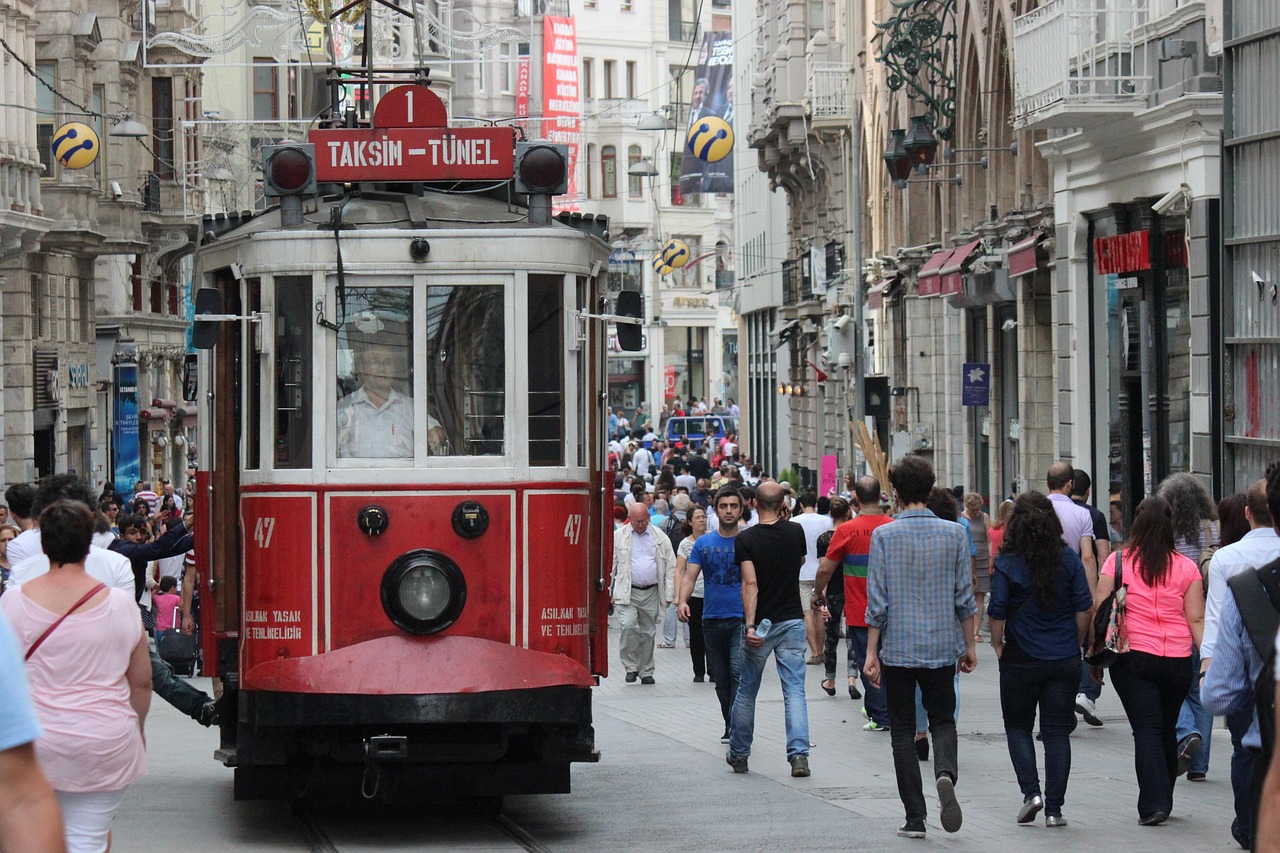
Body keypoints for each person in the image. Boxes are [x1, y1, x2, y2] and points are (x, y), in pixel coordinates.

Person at [1, 500, 150, 853]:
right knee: (88, 839)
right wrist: (137, 730)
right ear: (89, 544)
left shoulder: (13, 603)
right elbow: (141, 681)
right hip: (106, 739)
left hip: (35, 743)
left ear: (43, 543)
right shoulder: (121, 604)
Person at [863, 455, 977, 838]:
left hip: (898, 647)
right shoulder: (955, 533)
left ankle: (915, 817)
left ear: (895, 492)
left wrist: (870, 653)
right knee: (943, 719)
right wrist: (970, 645)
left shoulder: (884, 535)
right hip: (942, 647)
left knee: (902, 731)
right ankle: (945, 772)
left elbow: (877, 602)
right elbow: (965, 597)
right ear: (930, 490)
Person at [1094, 494, 1205, 826]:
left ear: (1137, 524)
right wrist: (1207, 660)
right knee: (1166, 728)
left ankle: (1155, 804)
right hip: (1177, 660)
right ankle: (1164, 797)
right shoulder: (1187, 568)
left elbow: (1100, 611)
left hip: (1133, 659)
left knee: (1146, 729)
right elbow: (1196, 619)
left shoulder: (1117, 562)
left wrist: (1094, 662)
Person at [989, 492, 1092, 827]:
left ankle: (1031, 793)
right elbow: (1084, 608)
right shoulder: (1069, 558)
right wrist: (1075, 642)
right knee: (1056, 733)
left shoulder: (1007, 561)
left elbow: (997, 611)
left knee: (1018, 726)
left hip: (1020, 655)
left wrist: (997, 644)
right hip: (1063, 657)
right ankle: (1055, 810)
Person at [1202, 475, 1280, 848]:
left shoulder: (1231, 566)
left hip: (1253, 696)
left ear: (1248, 513)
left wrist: (1209, 666)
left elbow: (1217, 695)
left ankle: (1246, 824)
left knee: (1244, 753)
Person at [726, 482, 811, 778]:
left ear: (754, 504)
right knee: (795, 690)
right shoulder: (795, 531)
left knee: (747, 690)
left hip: (761, 623)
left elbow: (750, 584)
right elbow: (799, 561)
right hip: (792, 620)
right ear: (783, 503)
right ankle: (799, 755)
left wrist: (749, 625)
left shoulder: (745, 539)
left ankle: (739, 753)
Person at [814, 479, 893, 730]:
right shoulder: (893, 526)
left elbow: (826, 568)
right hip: (893, 610)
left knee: (866, 661)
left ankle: (880, 715)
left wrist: (818, 592)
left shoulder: (847, 530)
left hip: (860, 610)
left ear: (856, 497)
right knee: (890, 662)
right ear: (879, 495)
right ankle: (888, 711)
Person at [1157, 472, 1221, 778]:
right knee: (1201, 687)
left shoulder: (1167, 532)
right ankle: (1200, 765)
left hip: (1176, 617)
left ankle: (1185, 732)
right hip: (1209, 617)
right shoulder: (1214, 529)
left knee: (1174, 686)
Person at [680, 487, 744, 742]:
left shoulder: (747, 541)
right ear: (715, 510)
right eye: (724, 506)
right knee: (721, 679)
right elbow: (690, 575)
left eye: (734, 506)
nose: (729, 511)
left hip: (740, 618)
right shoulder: (704, 544)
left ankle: (739, 724)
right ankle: (730, 722)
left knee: (738, 673)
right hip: (711, 618)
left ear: (741, 509)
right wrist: (682, 601)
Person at [0, 609, 66, 852]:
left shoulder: (15, 601)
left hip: (36, 726)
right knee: (91, 831)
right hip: (97, 732)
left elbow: (22, 798)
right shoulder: (118, 603)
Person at [336, 340, 446, 458]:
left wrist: (435, 433)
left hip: (401, 475)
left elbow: (437, 433)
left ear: (394, 369)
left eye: (387, 363)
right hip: (353, 475)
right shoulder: (344, 406)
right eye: (374, 362)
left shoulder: (410, 407)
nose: (382, 368)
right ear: (362, 368)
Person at [611, 503, 676, 685]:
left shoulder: (660, 538)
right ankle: (630, 667)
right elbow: (611, 565)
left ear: (649, 516)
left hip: (651, 591)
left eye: (644, 520)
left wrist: (670, 594)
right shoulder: (619, 537)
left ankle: (646, 670)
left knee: (648, 632)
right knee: (628, 627)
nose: (641, 524)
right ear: (630, 519)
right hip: (627, 590)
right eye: (637, 521)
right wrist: (608, 591)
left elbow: (671, 567)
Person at [794, 492, 832, 665]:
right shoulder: (826, 521)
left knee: (806, 613)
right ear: (815, 504)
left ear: (800, 504)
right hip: (821, 571)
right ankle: (822, 650)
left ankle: (814, 652)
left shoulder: (794, 522)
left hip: (802, 573)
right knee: (819, 612)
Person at [673, 505, 710, 681]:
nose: (702, 520)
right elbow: (679, 571)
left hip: (711, 594)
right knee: (696, 633)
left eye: (704, 517)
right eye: (698, 517)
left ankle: (714, 669)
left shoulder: (712, 538)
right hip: (694, 595)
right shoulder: (685, 544)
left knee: (712, 632)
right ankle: (699, 671)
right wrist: (680, 597)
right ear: (690, 521)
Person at [961, 493, 992, 641]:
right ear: (967, 507)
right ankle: (967, 630)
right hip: (967, 559)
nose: (975, 511)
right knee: (969, 595)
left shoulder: (984, 517)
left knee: (980, 595)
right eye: (973, 508)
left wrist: (991, 556)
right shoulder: (961, 519)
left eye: (978, 508)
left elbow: (989, 538)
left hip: (983, 558)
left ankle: (975, 631)